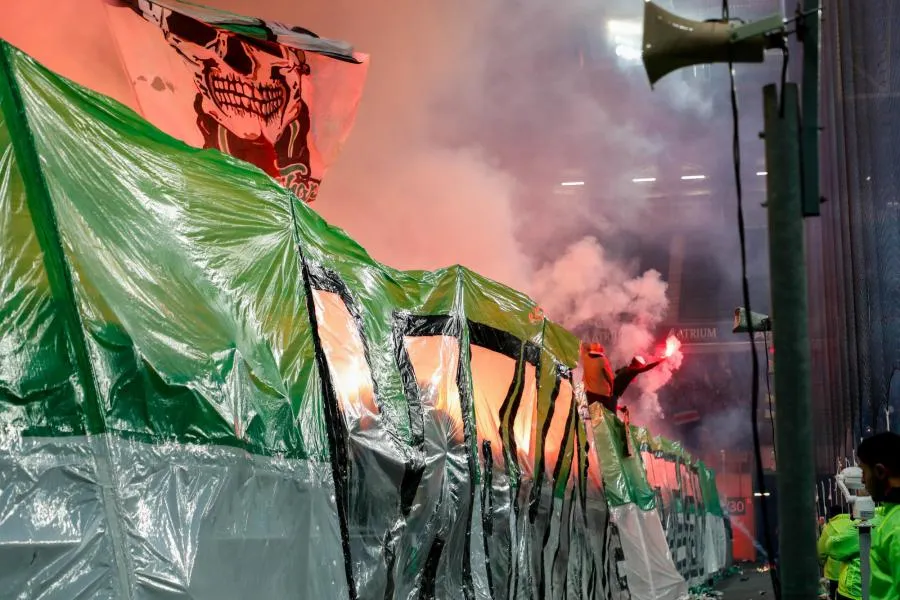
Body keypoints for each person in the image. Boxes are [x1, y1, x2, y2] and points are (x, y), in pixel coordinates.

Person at [857, 432, 900, 600]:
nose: (862, 480)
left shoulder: (896, 528)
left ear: (880, 472)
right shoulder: (892, 514)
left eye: (864, 472)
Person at [826, 506, 886, 600]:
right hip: (885, 589)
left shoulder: (867, 521)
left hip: (856, 589)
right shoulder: (892, 518)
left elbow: (832, 547)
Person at [819, 505, 853, 600]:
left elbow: (821, 552)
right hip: (850, 575)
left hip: (833, 574)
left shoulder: (828, 528)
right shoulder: (854, 524)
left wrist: (822, 563)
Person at [581, 342, 615, 412]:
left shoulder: (586, 357)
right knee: (606, 414)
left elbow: (585, 374)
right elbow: (610, 378)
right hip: (603, 394)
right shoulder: (603, 360)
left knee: (594, 414)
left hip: (590, 393)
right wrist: (611, 391)